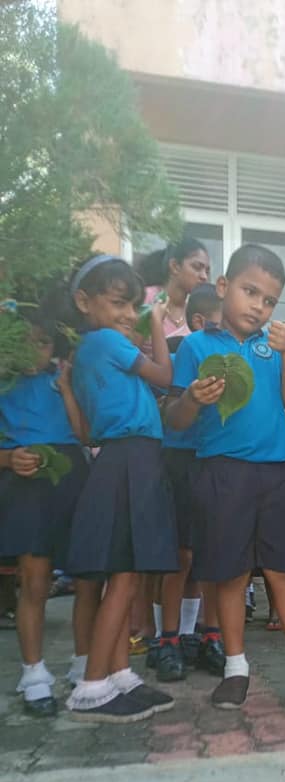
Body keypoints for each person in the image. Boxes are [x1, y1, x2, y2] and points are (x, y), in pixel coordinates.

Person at [166, 243, 285, 718]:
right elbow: (175, 419)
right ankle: (235, 668)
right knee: (231, 577)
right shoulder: (197, 346)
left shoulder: (274, 346)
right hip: (219, 475)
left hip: (277, 476)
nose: (258, 305)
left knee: (284, 574)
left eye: (269, 300)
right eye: (249, 291)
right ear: (223, 288)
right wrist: (195, 398)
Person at [60, 254, 179, 722]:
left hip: (116, 457)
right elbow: (166, 377)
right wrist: (154, 326)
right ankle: (92, 687)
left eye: (135, 307)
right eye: (119, 304)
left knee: (122, 572)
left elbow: (87, 431)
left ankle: (118, 676)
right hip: (133, 458)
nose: (128, 315)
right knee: (126, 574)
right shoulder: (109, 341)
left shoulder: (86, 352)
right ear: (83, 301)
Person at [0, 305, 99, 717]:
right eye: (24, 341)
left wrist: (70, 387)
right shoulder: (3, 386)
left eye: (42, 342)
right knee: (35, 579)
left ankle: (84, 665)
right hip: (26, 481)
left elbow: (89, 433)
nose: (33, 350)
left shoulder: (65, 380)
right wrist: (8, 460)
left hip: (73, 475)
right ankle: (34, 673)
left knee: (88, 577)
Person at [151, 284, 226, 683]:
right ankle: (168, 641)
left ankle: (208, 634)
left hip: (215, 458)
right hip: (181, 460)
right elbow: (172, 411)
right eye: (220, 323)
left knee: (211, 556)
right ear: (200, 323)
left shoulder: (232, 355)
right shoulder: (186, 353)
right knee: (179, 556)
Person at [139, 238, 211, 338]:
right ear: (175, 266)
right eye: (197, 267)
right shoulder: (145, 297)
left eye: (207, 271)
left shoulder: (195, 313)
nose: (204, 277)